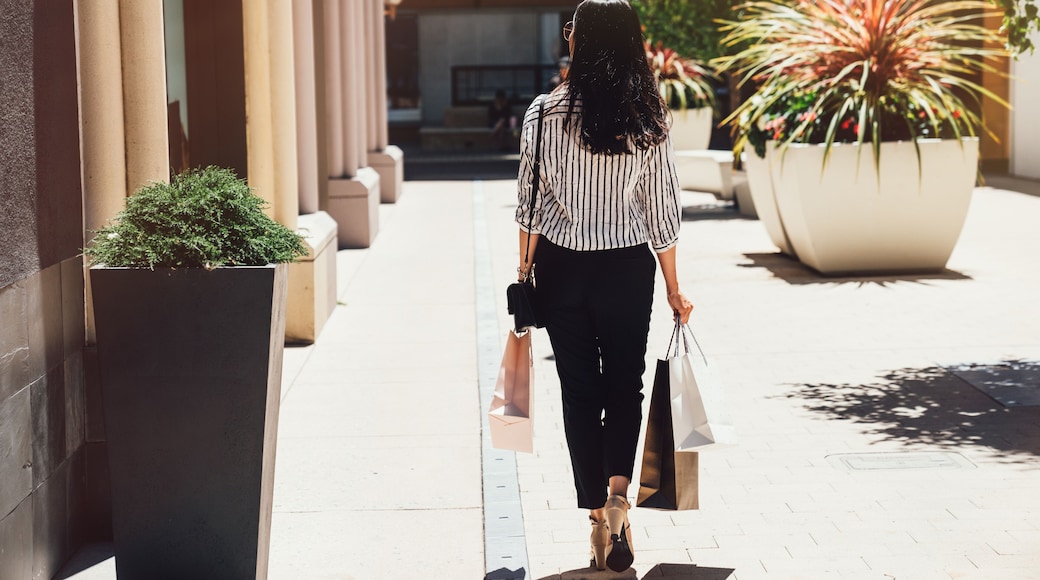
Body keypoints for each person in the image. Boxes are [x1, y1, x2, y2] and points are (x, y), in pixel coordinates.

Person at [514, 0, 694, 573]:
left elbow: (530, 209)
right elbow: (661, 210)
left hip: (563, 271)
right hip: (626, 271)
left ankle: (596, 520)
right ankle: (621, 499)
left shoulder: (542, 116)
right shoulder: (649, 114)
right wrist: (673, 286)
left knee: (578, 394)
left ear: (576, 40)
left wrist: (524, 276)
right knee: (625, 387)